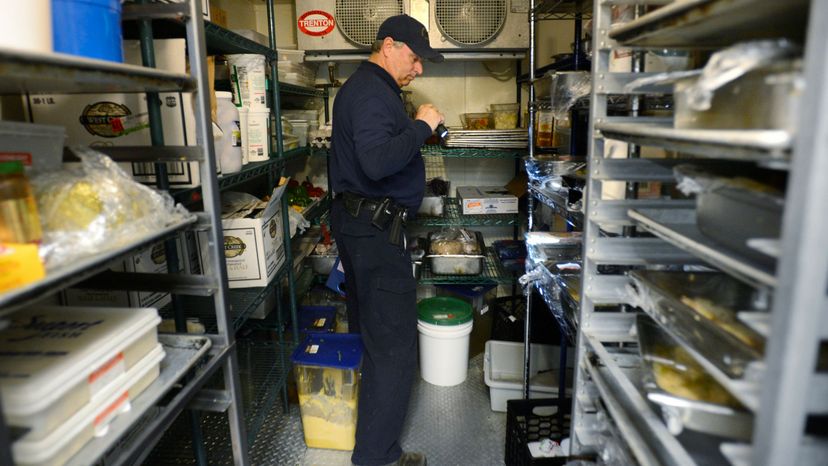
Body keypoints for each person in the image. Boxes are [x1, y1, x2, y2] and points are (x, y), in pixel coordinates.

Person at [328, 14, 445, 466]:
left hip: (362, 227)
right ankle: (377, 457)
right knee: (394, 348)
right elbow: (377, 162)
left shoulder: (367, 89)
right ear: (390, 45)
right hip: (375, 234)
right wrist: (421, 126)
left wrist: (415, 128)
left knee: (374, 338)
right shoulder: (373, 93)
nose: (420, 69)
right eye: (415, 58)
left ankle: (370, 445)